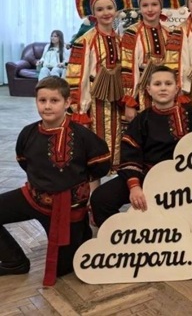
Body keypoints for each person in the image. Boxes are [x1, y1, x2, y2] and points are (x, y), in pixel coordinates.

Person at [0, 77, 110, 286]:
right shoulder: (28, 133)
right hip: (33, 198)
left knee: (64, 268)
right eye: (42, 100)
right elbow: (24, 161)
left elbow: (100, 166)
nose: (47, 106)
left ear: (67, 102)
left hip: (68, 209)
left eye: (54, 100)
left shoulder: (83, 136)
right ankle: (14, 261)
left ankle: (81, 232)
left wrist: (75, 186)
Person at [90, 66, 192, 227]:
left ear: (177, 89)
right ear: (149, 90)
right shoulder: (142, 119)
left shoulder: (191, 114)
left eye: (168, 84)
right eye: (157, 84)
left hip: (186, 179)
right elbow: (130, 154)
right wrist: (134, 187)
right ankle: (125, 237)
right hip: (148, 176)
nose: (163, 88)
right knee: (101, 199)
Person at [66, 0, 130, 170]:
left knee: (117, 144)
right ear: (93, 13)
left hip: (116, 100)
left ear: (116, 10)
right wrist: (80, 108)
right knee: (95, 146)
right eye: (100, 9)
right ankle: (94, 184)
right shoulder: (85, 41)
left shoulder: (121, 40)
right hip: (94, 101)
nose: (105, 13)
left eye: (109, 8)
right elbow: (78, 76)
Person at [121, 0, 183, 121]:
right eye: (145, 5)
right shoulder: (132, 33)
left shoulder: (170, 33)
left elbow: (175, 66)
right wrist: (130, 101)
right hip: (141, 93)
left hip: (165, 93)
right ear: (139, 8)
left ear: (161, 6)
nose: (150, 9)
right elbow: (128, 68)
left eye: (154, 4)